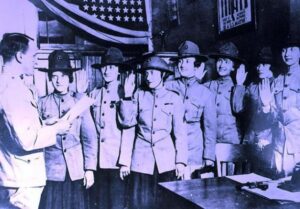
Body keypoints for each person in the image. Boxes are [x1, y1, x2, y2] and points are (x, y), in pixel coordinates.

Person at [0, 33, 71, 209]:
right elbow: (26, 139)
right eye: (34, 56)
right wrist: (57, 129)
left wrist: (44, 125)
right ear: (20, 56)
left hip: (16, 174)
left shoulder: (10, 84)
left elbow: (14, 129)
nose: (36, 62)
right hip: (22, 178)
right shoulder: (12, 89)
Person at [118, 56, 187, 209]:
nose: (148, 77)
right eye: (146, 73)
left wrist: (180, 162)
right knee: (141, 204)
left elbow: (180, 133)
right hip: (141, 160)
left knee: (167, 204)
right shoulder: (138, 95)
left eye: (153, 73)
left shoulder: (174, 98)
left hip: (166, 162)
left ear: (163, 74)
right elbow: (127, 125)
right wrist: (125, 162)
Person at [38, 50, 98, 209]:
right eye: (55, 76)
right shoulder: (42, 103)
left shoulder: (80, 102)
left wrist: (90, 169)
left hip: (76, 170)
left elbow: (89, 138)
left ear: (70, 78)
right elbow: (36, 135)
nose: (59, 80)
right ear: (50, 78)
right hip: (51, 172)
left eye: (63, 76)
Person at [89, 47, 134, 209]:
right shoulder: (94, 94)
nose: (107, 70)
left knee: (117, 205)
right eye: (105, 67)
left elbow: (129, 130)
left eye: (112, 67)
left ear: (119, 71)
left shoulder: (126, 93)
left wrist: (125, 162)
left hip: (116, 162)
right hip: (98, 162)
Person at [165, 40, 217, 179]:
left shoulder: (205, 93)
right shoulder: (168, 86)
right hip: (170, 150)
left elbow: (210, 129)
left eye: (187, 61)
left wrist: (209, 157)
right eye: (181, 61)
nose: (182, 64)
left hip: (194, 152)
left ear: (196, 65)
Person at [259, 35, 300, 176]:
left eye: (292, 49)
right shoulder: (277, 81)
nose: (287, 54)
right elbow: (273, 118)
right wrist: (266, 107)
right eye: (284, 50)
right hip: (279, 144)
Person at [233, 47, 275, 175]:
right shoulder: (253, 86)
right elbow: (237, 108)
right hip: (249, 141)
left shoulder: (277, 85)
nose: (260, 68)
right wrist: (239, 85)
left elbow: (276, 117)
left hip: (268, 143)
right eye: (258, 64)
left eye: (264, 64)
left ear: (271, 65)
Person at [205, 41, 247, 145]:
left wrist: (240, 85)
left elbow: (238, 109)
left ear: (233, 67)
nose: (222, 65)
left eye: (226, 62)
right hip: (212, 140)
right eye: (219, 61)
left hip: (232, 140)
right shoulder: (209, 85)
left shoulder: (237, 87)